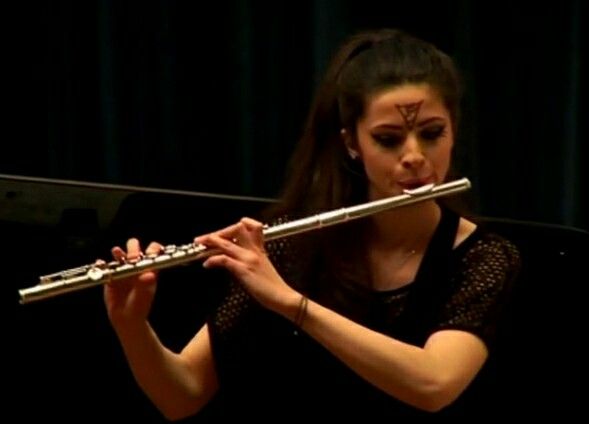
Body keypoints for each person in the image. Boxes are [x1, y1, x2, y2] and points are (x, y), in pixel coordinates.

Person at [104, 28, 520, 420]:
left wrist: (290, 303)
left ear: (454, 131)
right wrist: (132, 326)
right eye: (388, 139)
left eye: (432, 133)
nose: (414, 156)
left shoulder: (483, 258)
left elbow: (434, 383)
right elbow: (183, 395)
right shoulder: (293, 245)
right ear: (352, 144)